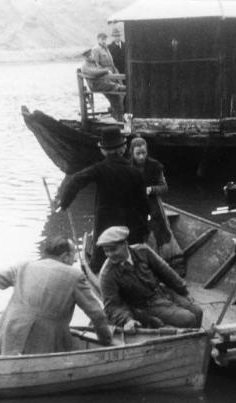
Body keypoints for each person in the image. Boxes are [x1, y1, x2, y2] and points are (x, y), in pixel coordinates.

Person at [0, 236, 112, 355]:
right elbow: (97, 315)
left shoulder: (23, 266)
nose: (75, 260)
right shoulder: (75, 276)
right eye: (73, 255)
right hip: (45, 345)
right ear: (65, 257)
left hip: (5, 340)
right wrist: (105, 340)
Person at [57, 127, 150, 272]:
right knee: (131, 254)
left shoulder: (99, 169)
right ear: (124, 148)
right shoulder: (135, 172)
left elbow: (75, 180)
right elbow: (144, 205)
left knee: (100, 259)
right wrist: (144, 228)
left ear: (104, 151)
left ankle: (98, 272)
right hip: (129, 226)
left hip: (105, 223)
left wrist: (64, 203)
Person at [98, 226, 203, 330]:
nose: (110, 255)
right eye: (106, 251)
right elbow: (112, 306)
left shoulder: (143, 251)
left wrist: (184, 291)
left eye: (113, 249)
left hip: (161, 293)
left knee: (198, 311)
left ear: (125, 244)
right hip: (143, 307)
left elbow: (166, 273)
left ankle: (197, 341)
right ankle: (188, 343)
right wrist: (127, 320)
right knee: (188, 319)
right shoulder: (107, 274)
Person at [129, 137, 186, 276]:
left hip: (153, 204)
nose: (142, 156)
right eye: (138, 154)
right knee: (138, 232)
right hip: (135, 206)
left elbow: (164, 187)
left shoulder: (155, 166)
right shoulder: (128, 167)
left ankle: (171, 265)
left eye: (144, 153)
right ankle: (143, 266)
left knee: (163, 231)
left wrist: (151, 190)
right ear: (132, 153)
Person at [81, 49, 125, 121]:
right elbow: (94, 72)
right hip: (95, 85)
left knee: (115, 97)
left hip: (102, 83)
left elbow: (100, 69)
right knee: (115, 88)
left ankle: (118, 117)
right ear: (85, 57)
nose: (90, 56)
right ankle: (120, 88)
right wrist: (106, 70)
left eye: (90, 55)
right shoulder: (85, 66)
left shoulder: (94, 63)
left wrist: (106, 71)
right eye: (88, 56)